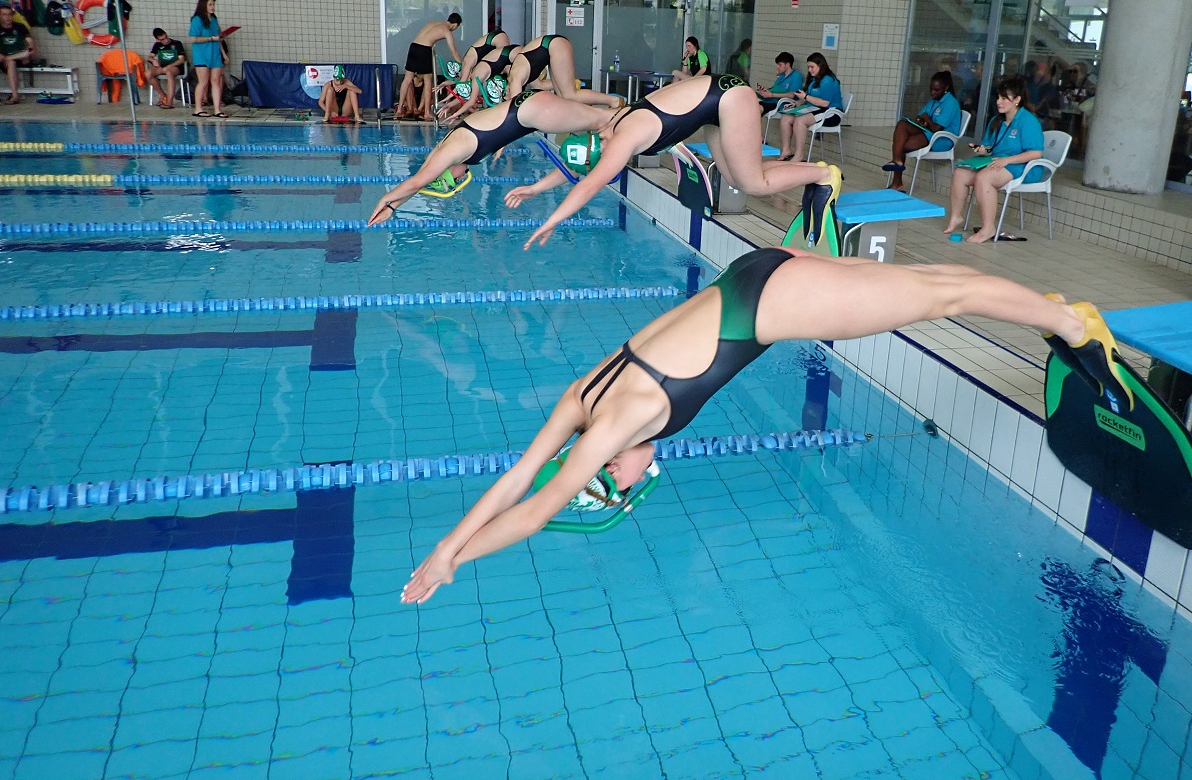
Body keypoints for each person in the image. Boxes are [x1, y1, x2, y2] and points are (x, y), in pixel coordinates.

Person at [399, 246, 1124, 604]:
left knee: (941, 297)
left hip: (774, 303)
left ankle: (1072, 322)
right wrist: (443, 545)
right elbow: (520, 477)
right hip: (752, 276)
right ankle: (1044, 306)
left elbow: (532, 510)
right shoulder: (582, 398)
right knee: (930, 287)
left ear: (600, 474)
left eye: (625, 482)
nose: (642, 472)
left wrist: (453, 561)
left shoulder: (622, 421)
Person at [505, 74, 841, 250]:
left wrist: (552, 221)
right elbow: (579, 168)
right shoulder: (609, 121)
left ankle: (823, 174)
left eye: (602, 154)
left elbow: (590, 183)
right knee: (737, 179)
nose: (605, 156)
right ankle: (815, 174)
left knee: (754, 184)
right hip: (715, 102)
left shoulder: (624, 138)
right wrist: (537, 188)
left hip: (729, 98)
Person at [366, 90, 612, 225]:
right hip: (529, 108)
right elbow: (421, 180)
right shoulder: (444, 150)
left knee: (608, 121)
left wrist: (385, 200)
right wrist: (393, 207)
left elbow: (417, 182)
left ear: (448, 172)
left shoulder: (452, 152)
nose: (462, 178)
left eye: (456, 180)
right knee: (600, 133)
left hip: (532, 111)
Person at [943, 74, 1044, 244]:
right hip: (996, 162)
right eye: (998, 97)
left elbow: (1036, 153)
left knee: (984, 178)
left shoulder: (1028, 121)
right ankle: (956, 217)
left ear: (1017, 100)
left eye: (1005, 98)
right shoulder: (997, 121)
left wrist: (1007, 160)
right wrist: (983, 150)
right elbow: (990, 148)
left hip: (1021, 166)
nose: (999, 101)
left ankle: (988, 227)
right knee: (960, 172)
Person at [883, 70, 963, 190]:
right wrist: (923, 120)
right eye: (931, 89)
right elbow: (920, 116)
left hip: (941, 139)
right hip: (928, 132)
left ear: (946, 88)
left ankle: (897, 180)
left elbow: (936, 128)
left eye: (936, 90)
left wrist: (927, 120)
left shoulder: (951, 103)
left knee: (901, 145)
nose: (932, 92)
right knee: (902, 124)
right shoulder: (934, 100)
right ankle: (898, 165)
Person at [504, 34, 624, 108]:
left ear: (508, 88)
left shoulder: (515, 78)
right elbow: (541, 85)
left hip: (554, 45)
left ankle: (614, 101)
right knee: (564, 95)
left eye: (505, 96)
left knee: (569, 94)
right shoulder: (519, 75)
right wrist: (570, 81)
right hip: (551, 47)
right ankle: (593, 110)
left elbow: (514, 108)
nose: (506, 98)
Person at [778, 52, 843, 161]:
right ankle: (786, 150)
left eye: (812, 67)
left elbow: (825, 103)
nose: (809, 70)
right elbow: (805, 98)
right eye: (808, 67)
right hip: (814, 108)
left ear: (821, 66)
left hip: (831, 113)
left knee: (800, 121)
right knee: (786, 117)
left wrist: (806, 97)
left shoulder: (828, 81)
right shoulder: (814, 79)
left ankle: (799, 155)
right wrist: (795, 104)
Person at [396, 13, 462, 121]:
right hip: (424, 50)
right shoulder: (446, 31)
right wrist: (462, 65)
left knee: (407, 79)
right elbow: (453, 51)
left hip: (413, 47)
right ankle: (426, 112)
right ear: (455, 25)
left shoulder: (434, 23)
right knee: (428, 80)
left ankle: (399, 109)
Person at [437, 42, 517, 124]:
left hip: (509, 52)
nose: (476, 98)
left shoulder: (475, 77)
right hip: (507, 56)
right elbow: (467, 98)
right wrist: (449, 105)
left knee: (511, 92)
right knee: (509, 92)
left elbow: (470, 100)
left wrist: (455, 113)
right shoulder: (474, 80)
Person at [188, 0, 228, 118]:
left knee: (216, 81)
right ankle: (198, 109)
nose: (213, 7)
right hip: (202, 54)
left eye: (213, 4)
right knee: (203, 82)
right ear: (203, 5)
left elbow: (218, 38)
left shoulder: (214, 19)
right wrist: (211, 38)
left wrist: (224, 54)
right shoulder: (197, 20)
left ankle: (217, 109)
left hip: (214, 54)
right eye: (210, 4)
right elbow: (193, 39)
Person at [0, 4, 36, 105]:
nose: (8, 17)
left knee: (11, 62)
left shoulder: (20, 27)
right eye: (4, 15)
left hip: (18, 58)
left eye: (9, 14)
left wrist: (9, 57)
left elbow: (31, 48)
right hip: (3, 57)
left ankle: (15, 95)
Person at [146, 28, 186, 109]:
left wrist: (170, 66)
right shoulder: (157, 45)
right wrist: (153, 61)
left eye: (166, 37)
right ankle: (163, 95)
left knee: (169, 72)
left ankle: (170, 102)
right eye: (162, 39)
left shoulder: (176, 43)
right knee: (148, 73)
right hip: (163, 66)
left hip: (175, 67)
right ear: (157, 40)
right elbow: (150, 57)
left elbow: (181, 60)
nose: (166, 40)